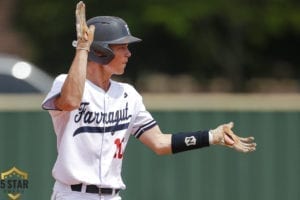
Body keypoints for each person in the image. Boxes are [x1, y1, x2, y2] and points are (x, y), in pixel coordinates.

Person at [42, 2, 256, 200]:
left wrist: (211, 136)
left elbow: (160, 143)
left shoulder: (128, 94)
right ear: (101, 51)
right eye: (121, 47)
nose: (128, 53)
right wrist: (82, 49)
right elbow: (70, 101)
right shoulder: (65, 83)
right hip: (73, 195)